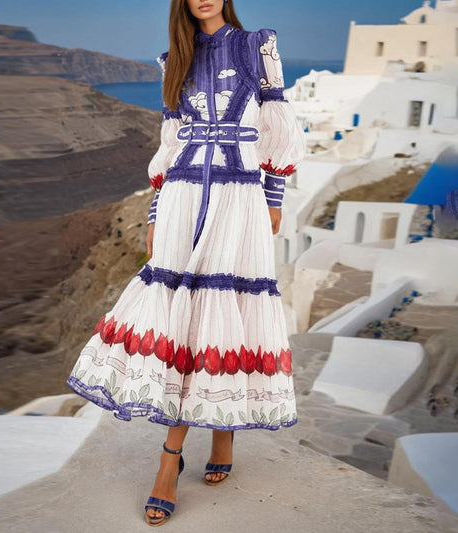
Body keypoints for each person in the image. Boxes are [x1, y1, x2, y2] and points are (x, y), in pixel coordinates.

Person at [65, 0, 306, 526]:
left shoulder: (255, 44)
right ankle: (172, 460)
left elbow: (275, 123)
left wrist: (274, 196)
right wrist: (156, 210)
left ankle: (218, 443)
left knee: (230, 314)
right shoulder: (173, 59)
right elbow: (171, 143)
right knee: (184, 321)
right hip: (179, 201)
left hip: (237, 199)